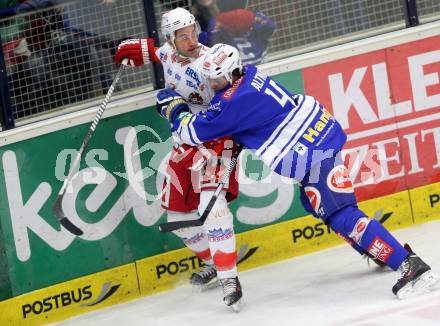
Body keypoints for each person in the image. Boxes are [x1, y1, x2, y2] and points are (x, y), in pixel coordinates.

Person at [156, 43, 440, 299]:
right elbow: (254, 118)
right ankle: (374, 247)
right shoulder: (250, 74)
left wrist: (174, 108)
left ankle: (409, 265)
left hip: (312, 152)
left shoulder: (231, 102)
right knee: (315, 204)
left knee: (342, 214)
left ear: (231, 73)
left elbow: (191, 131)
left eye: (216, 78)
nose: (212, 84)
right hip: (316, 138)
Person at [114, 9, 243, 310]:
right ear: (171, 40)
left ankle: (230, 279)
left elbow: (231, 102)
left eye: (193, 31)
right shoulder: (168, 52)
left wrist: (175, 110)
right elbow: (151, 51)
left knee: (212, 209)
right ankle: (214, 263)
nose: (191, 39)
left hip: (215, 141)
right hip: (185, 142)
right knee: (179, 220)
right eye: (182, 35)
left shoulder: (210, 62)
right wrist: (125, 50)